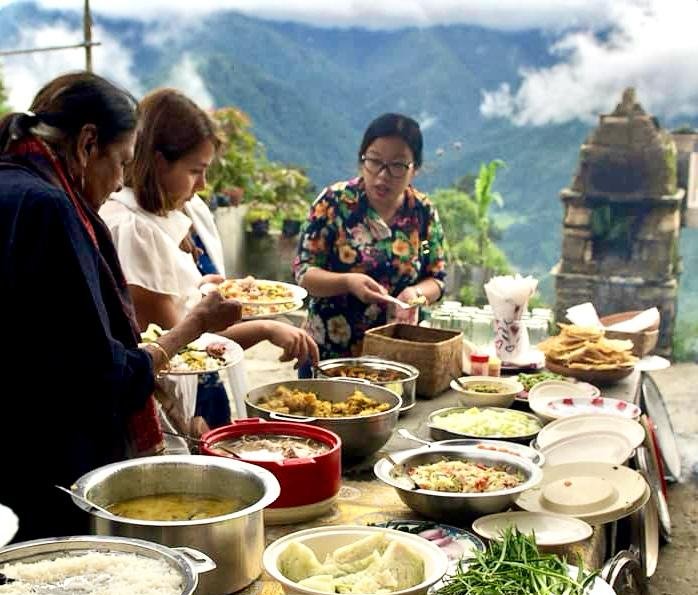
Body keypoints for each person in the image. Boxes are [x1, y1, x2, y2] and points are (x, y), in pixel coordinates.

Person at [0, 73, 242, 541]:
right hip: (45, 467)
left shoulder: (12, 186)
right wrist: (188, 330)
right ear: (88, 143)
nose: (115, 185)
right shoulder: (48, 209)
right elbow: (100, 372)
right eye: (120, 162)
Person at [100, 88, 318, 428]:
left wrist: (202, 289)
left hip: (208, 393)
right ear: (158, 162)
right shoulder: (131, 231)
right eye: (194, 171)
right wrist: (264, 328)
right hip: (166, 409)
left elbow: (183, 302)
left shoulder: (185, 210)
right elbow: (175, 346)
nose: (203, 184)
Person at [294, 113, 446, 370]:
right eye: (374, 161)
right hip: (331, 353)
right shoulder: (333, 204)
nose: (383, 176)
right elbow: (304, 273)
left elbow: (435, 276)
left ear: (415, 169)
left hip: (398, 357)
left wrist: (415, 293)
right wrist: (347, 282)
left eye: (397, 166)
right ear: (362, 159)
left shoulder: (421, 215)